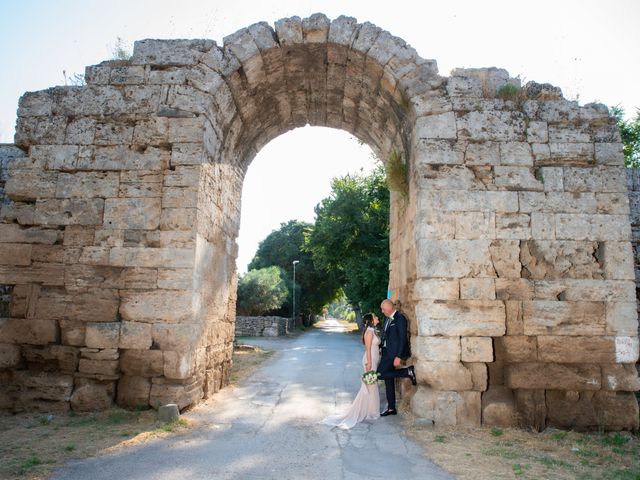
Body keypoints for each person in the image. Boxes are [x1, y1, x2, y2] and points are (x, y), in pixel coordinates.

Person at [320, 313, 382, 429]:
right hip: (370, 361)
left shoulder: (373, 331)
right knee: (370, 386)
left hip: (374, 360)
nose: (377, 318)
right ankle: (370, 412)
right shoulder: (369, 332)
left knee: (371, 386)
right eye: (375, 317)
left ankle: (371, 410)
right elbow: (368, 349)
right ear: (371, 320)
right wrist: (369, 363)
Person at [377, 299, 416, 416]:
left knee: (381, 374)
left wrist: (398, 356)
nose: (382, 311)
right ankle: (391, 408)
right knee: (388, 380)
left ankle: (407, 371)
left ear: (389, 308)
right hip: (385, 352)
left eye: (383, 309)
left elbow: (402, 338)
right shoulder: (388, 318)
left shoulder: (400, 318)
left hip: (393, 354)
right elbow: (385, 336)